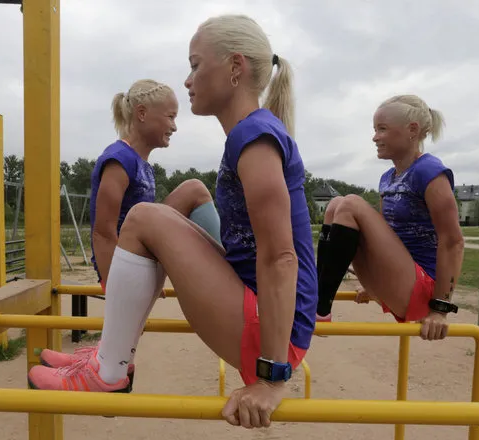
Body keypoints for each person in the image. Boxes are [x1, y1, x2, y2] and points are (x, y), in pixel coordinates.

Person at [28, 14, 317, 429]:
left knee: (145, 217)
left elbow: (281, 258)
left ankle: (108, 372)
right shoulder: (251, 132)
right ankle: (111, 354)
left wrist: (271, 378)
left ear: (235, 67)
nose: (188, 79)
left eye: (196, 65)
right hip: (268, 322)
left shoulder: (253, 135)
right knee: (191, 191)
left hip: (274, 337)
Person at [38, 79, 223, 373]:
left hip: (137, 259)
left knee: (194, 190)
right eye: (171, 117)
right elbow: (103, 230)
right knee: (194, 189)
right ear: (141, 113)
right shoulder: (119, 159)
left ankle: (100, 360)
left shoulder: (140, 163)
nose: (175, 126)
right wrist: (118, 286)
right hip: (122, 264)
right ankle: (226, 269)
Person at [315, 94, 464, 341]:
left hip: (423, 290)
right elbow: (387, 238)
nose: (375, 137)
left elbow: (453, 241)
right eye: (374, 129)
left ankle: (319, 308)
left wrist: (440, 309)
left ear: (412, 130)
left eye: (382, 129)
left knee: (350, 204)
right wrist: (376, 284)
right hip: (399, 281)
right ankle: (318, 298)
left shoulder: (429, 172)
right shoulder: (388, 178)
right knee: (335, 205)